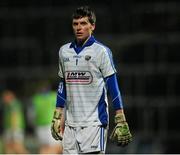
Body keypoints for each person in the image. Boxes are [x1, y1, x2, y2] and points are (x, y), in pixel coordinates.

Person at [51, 6, 132, 154]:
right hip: (70, 125)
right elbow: (63, 85)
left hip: (94, 124)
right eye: (75, 24)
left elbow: (113, 86)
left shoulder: (101, 51)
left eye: (83, 23)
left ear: (92, 26)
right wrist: (57, 115)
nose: (79, 28)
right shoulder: (64, 51)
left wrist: (120, 116)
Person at [31, 82, 63, 154]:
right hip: (51, 125)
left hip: (40, 126)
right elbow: (60, 110)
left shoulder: (36, 98)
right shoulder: (54, 96)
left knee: (45, 148)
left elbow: (32, 115)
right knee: (54, 148)